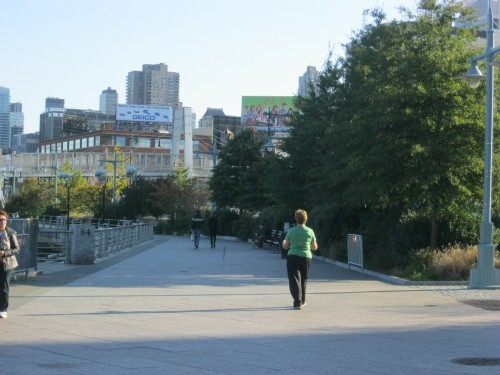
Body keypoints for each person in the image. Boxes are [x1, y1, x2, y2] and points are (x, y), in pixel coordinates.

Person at [282, 209, 318, 310]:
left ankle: (297, 302)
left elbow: (285, 246)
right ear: (306, 219)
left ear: (296, 219)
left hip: (293, 256)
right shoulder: (310, 231)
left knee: (294, 279)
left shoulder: (291, 231)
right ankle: (303, 300)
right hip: (306, 257)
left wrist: (284, 242)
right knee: (304, 279)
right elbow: (315, 247)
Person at [0, 210, 20, 319]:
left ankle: (3, 309)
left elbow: (16, 249)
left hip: (7, 263)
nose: (2, 222)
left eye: (3, 220)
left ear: (6, 221)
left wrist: (4, 253)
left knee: (4, 286)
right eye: (0, 220)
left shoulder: (10, 233)